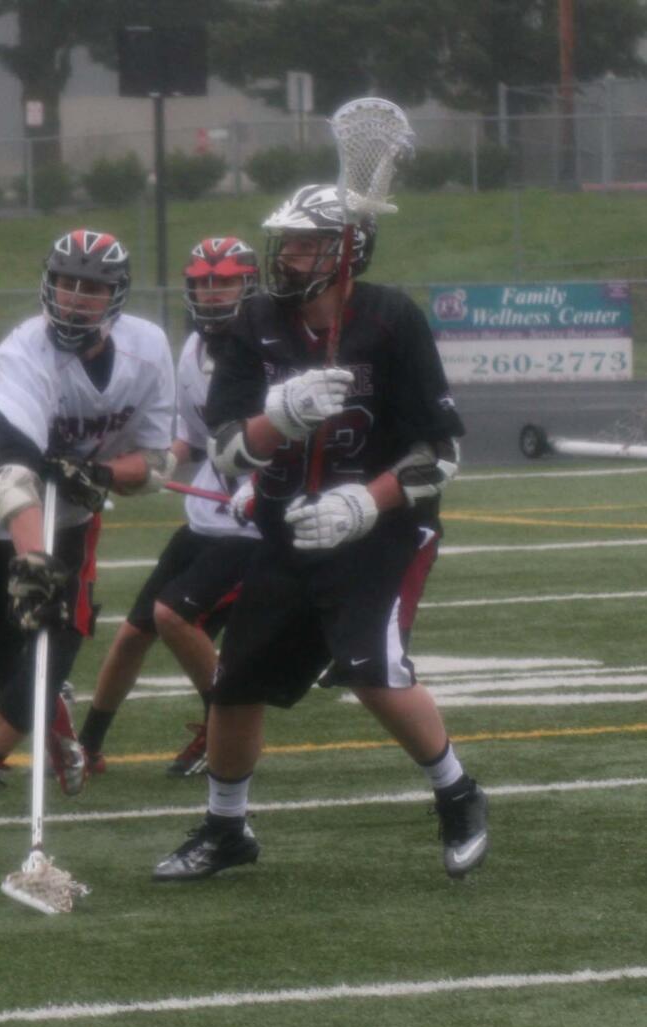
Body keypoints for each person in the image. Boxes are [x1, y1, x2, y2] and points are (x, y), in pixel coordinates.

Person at [153, 184, 488, 882]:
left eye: (308, 243)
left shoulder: (391, 319)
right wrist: (283, 416)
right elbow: (225, 450)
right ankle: (226, 829)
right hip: (288, 531)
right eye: (289, 242)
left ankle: (457, 794)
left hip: (380, 533)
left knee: (370, 671)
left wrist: (364, 504)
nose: (290, 256)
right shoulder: (256, 323)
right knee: (236, 684)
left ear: (347, 250)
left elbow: (443, 455)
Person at [0, 229, 177, 855]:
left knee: (48, 659)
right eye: (67, 283)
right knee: (0, 665)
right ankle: (51, 712)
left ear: (115, 297)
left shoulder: (148, 350)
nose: (76, 298)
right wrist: (32, 565)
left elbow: (157, 465)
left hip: (71, 518)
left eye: (92, 288)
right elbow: (13, 474)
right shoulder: (25, 352)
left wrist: (102, 474)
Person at [78, 237, 262, 778]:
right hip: (210, 517)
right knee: (135, 632)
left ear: (250, 283)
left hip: (256, 527)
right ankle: (88, 746)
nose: (211, 293)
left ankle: (220, 727)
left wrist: (265, 484)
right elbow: (195, 435)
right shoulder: (194, 351)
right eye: (202, 282)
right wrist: (161, 461)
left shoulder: (273, 352)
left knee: (172, 615)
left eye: (224, 280)